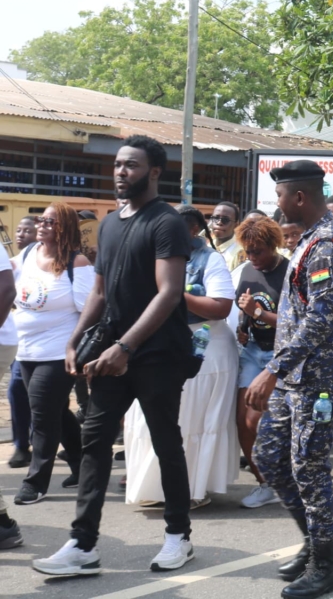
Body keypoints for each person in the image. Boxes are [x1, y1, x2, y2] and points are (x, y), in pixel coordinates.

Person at [34, 135, 197, 576]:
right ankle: (82, 544)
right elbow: (101, 292)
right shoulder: (108, 224)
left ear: (155, 172)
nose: (121, 172)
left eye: (132, 165)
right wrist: (75, 338)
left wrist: (127, 347)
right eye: (118, 165)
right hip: (110, 353)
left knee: (166, 442)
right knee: (94, 443)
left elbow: (170, 293)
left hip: (158, 353)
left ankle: (178, 536)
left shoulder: (167, 223)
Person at [246, 160, 333, 598]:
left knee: (308, 468)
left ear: (299, 197)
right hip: (295, 376)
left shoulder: (327, 244)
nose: (276, 204)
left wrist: (273, 369)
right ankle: (316, 539)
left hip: (318, 379)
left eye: (279, 196)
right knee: (270, 457)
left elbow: (321, 320)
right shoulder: (310, 240)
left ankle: (323, 565)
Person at [124, 206, 238, 510]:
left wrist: (171, 292)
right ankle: (158, 489)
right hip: (156, 346)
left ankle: (192, 490)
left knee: (191, 422)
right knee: (152, 421)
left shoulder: (209, 259)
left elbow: (221, 307)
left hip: (203, 349)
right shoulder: (153, 257)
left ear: (191, 231)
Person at [11, 203, 93, 504]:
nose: (42, 225)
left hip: (59, 352)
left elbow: (91, 310)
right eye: (40, 220)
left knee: (42, 415)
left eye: (50, 221)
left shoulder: (78, 263)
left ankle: (36, 482)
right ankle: (82, 465)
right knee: (55, 410)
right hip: (25, 350)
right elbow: (7, 280)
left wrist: (77, 348)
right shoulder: (27, 254)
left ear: (66, 228)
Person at [233, 215, 289, 509]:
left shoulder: (290, 273)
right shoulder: (247, 272)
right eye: (248, 251)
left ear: (273, 245)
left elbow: (298, 325)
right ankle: (265, 483)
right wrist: (244, 326)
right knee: (242, 421)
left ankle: (283, 477)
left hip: (280, 355)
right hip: (253, 350)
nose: (253, 257)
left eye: (258, 251)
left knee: (256, 419)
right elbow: (244, 306)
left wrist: (257, 314)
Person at [4, 217, 33, 468]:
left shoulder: (48, 259)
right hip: (22, 338)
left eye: (28, 230)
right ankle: (21, 446)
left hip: (48, 342)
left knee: (46, 399)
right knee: (16, 389)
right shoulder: (16, 260)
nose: (21, 234)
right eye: (19, 230)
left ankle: (71, 445)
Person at [209, 201, 246, 271]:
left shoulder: (240, 252)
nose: (219, 222)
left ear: (236, 225)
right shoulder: (207, 247)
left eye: (225, 220)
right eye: (216, 218)